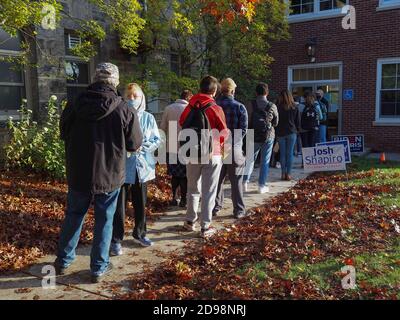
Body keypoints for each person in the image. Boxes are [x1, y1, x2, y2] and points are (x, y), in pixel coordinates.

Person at [55, 63, 142, 283]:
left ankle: (63, 260)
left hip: (79, 171)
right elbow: (134, 144)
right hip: (110, 173)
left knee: (74, 214)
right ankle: (98, 267)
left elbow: (63, 132)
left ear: (94, 79)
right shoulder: (124, 109)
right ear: (115, 82)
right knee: (105, 219)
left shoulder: (74, 104)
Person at [111, 83, 161, 255]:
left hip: (143, 168)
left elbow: (156, 139)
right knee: (120, 206)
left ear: (142, 99)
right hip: (123, 168)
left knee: (141, 204)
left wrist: (143, 146)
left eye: (135, 96)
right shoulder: (119, 115)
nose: (132, 99)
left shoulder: (148, 118)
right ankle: (116, 239)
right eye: (129, 96)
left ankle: (140, 233)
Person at [179, 76, 228, 238]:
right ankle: (205, 226)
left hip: (192, 151)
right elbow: (224, 132)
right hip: (211, 152)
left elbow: (181, 122)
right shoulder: (215, 108)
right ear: (214, 91)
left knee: (193, 188)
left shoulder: (190, 105)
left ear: (200, 88)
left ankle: (189, 221)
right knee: (209, 191)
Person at [213, 78, 248, 219]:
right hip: (234, 147)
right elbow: (243, 130)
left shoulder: (214, 106)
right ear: (233, 90)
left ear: (221, 90)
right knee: (236, 180)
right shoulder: (240, 107)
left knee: (217, 180)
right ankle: (238, 210)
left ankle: (215, 207)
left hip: (216, 147)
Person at [243, 83, 279, 194]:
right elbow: (276, 122)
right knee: (265, 161)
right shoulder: (272, 106)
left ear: (256, 93)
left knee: (249, 160)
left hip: (251, 134)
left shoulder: (250, 104)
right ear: (267, 93)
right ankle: (261, 185)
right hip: (268, 135)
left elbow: (246, 120)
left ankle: (244, 182)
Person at [160, 90, 193, 207]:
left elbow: (162, 128)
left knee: (174, 175)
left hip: (172, 145)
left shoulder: (169, 108)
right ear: (189, 98)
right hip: (186, 146)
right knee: (184, 175)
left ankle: (174, 197)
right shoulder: (190, 109)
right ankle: (183, 199)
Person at [276, 90, 301, 181]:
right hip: (291, 132)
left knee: (282, 154)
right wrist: (297, 130)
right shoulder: (295, 107)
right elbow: (298, 121)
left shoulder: (278, 107)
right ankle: (289, 174)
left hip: (280, 132)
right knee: (289, 154)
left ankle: (283, 173)